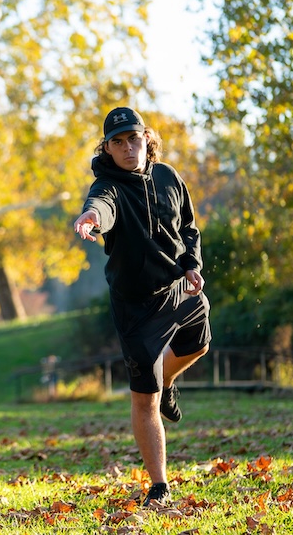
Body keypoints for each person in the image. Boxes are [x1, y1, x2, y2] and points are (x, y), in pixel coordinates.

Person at [73, 107, 211, 508]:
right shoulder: (108, 186)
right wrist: (90, 218)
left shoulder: (168, 176)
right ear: (107, 148)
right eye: (117, 142)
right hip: (136, 307)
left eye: (133, 138)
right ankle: (159, 485)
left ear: (145, 138)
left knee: (199, 344)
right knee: (144, 398)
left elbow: (188, 228)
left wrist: (193, 265)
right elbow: (102, 206)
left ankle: (166, 381)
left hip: (180, 288)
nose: (127, 148)